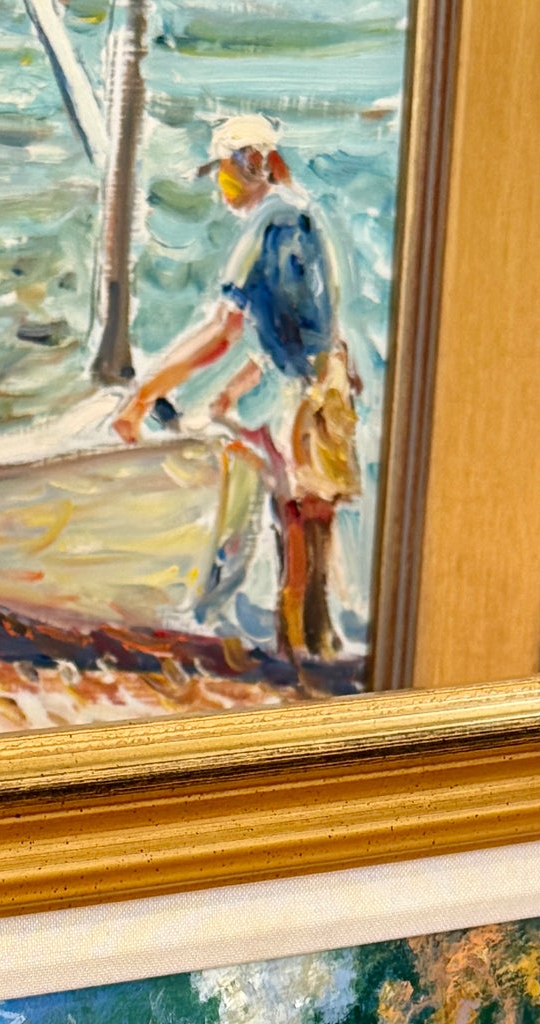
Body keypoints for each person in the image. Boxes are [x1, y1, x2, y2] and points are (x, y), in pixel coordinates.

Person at [111, 112, 360, 666]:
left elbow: (224, 329)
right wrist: (234, 390)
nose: (220, 184)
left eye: (223, 168)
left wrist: (144, 396)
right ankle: (316, 645)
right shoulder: (301, 216)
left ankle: (296, 655)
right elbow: (292, 326)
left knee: (293, 516)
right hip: (327, 382)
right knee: (314, 517)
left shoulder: (266, 223)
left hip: (302, 396)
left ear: (251, 164)